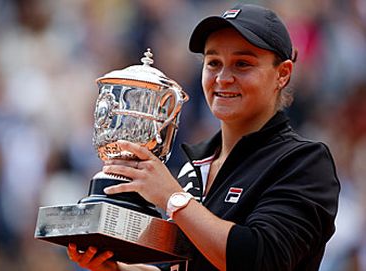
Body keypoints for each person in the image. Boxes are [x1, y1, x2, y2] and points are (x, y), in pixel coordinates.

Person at [67, 3, 340, 271]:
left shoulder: (304, 162)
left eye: (242, 64)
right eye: (213, 63)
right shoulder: (193, 165)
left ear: (282, 74)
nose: (223, 78)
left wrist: (173, 199)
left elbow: (263, 259)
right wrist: (118, 269)